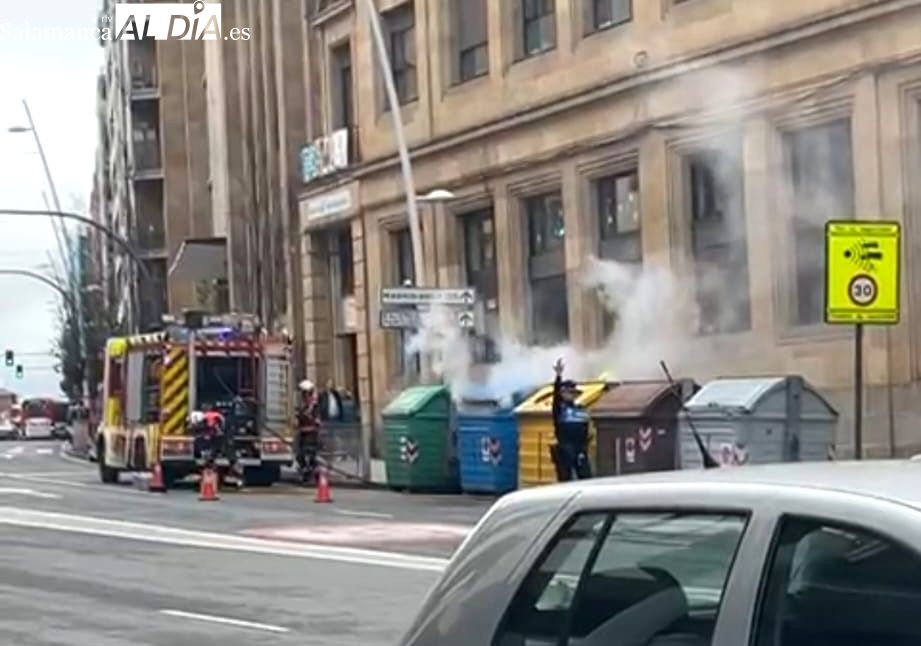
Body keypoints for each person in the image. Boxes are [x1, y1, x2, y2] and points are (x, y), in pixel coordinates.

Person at [550, 358, 593, 481]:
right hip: (565, 449)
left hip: (580, 449)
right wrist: (558, 376)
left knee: (585, 477)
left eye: (572, 393)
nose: (570, 395)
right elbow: (556, 398)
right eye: (567, 392)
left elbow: (586, 429)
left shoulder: (581, 409)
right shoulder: (560, 409)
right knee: (565, 479)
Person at [295, 379, 321, 481]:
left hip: (312, 435)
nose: (305, 397)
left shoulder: (314, 407)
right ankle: (306, 470)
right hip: (303, 434)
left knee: (311, 455)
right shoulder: (303, 407)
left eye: (306, 394)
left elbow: (317, 420)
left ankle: (312, 470)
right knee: (300, 455)